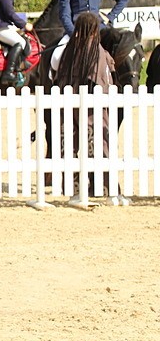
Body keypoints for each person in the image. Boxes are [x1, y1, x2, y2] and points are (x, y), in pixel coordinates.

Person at [55, 11, 125, 206]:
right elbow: (104, 80)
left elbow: (58, 78)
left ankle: (74, 191)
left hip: (69, 107)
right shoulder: (98, 51)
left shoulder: (68, 51)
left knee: (71, 149)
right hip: (94, 108)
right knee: (102, 147)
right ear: (95, 30)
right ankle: (110, 191)